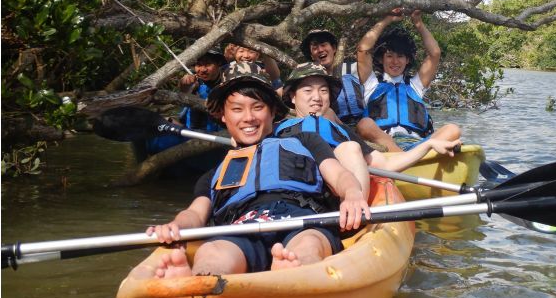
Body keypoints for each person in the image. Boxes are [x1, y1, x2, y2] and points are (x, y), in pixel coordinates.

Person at [143, 62, 371, 278]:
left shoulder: (306, 142)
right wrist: (177, 226)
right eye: (237, 109)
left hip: (303, 219)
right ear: (223, 115)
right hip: (243, 225)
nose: (249, 117)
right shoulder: (215, 173)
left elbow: (339, 175)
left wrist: (352, 193)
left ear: (272, 112)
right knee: (211, 253)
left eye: (258, 107)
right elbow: (194, 213)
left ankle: (293, 270)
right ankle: (200, 282)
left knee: (309, 244)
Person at [274, 62, 461, 193]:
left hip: (333, 201)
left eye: (323, 91)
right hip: (283, 198)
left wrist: (428, 145)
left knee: (351, 148)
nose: (317, 97)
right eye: (308, 90)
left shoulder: (340, 132)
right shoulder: (275, 130)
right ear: (292, 96)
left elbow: (385, 164)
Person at [357, 9, 461, 150]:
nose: (395, 61)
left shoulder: (415, 86)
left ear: (407, 60)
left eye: (400, 56)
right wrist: (387, 19)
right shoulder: (371, 85)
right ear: (381, 59)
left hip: (416, 144)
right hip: (384, 144)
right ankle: (405, 158)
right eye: (389, 56)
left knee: (453, 129)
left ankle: (404, 159)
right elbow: (363, 49)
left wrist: (418, 23)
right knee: (365, 124)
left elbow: (435, 53)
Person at [301, 29, 401, 151]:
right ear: (311, 55)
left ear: (334, 48)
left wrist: (387, 19)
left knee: (367, 123)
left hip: (364, 124)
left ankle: (403, 159)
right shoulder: (309, 80)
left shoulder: (354, 69)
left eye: (323, 45)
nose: (320, 50)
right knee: (326, 114)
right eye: (315, 47)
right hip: (335, 126)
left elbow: (364, 50)